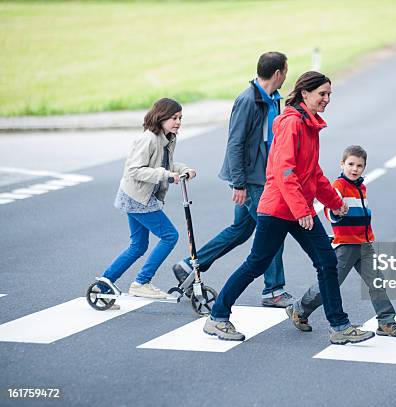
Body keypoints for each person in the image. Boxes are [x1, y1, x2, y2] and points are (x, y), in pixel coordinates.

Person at [203, 71, 375, 345]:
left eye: (329, 94)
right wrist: (302, 211)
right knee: (256, 263)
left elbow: (313, 172)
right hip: (278, 209)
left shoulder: (310, 125)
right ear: (305, 93)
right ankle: (217, 317)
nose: (327, 99)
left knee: (327, 262)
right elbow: (285, 171)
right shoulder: (291, 123)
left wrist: (336, 203)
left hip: (298, 208)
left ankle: (339, 326)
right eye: (322, 94)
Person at [172, 52, 292, 307]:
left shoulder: (272, 99)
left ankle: (190, 264)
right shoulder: (248, 100)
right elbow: (235, 143)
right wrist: (239, 184)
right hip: (251, 179)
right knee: (272, 230)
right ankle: (273, 291)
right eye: (286, 71)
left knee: (240, 230)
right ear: (278, 73)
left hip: (263, 176)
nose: (286, 75)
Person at [286, 145, 396, 337]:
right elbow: (330, 209)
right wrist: (335, 212)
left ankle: (386, 321)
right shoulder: (339, 186)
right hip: (345, 245)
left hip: (365, 244)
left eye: (359, 166)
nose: (355, 169)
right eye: (351, 164)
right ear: (342, 164)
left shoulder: (361, 187)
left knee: (377, 281)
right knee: (330, 284)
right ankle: (300, 309)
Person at [94, 98, 196, 306]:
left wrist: (182, 169)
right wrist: (166, 175)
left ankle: (105, 284)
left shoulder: (169, 138)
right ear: (160, 118)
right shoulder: (148, 139)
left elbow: (164, 163)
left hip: (141, 196)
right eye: (173, 118)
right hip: (137, 197)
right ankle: (142, 281)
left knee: (138, 245)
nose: (177, 122)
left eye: (180, 118)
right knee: (169, 236)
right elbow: (135, 169)